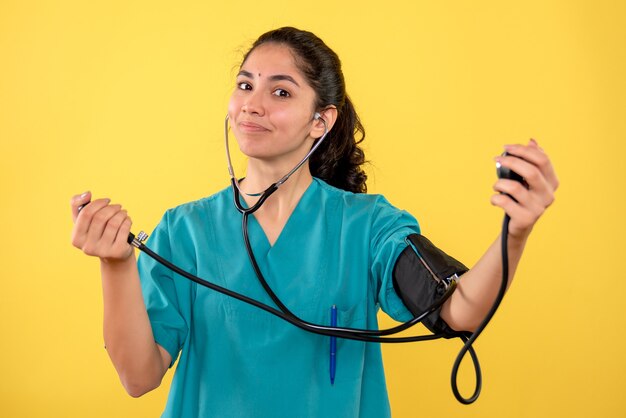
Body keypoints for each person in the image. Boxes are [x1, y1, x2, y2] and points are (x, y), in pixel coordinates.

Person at [70, 27, 558, 418]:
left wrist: (515, 231)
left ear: (319, 122)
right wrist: (115, 264)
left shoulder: (368, 228)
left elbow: (460, 310)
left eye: (280, 91)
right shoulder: (183, 231)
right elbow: (139, 377)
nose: (252, 104)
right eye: (245, 85)